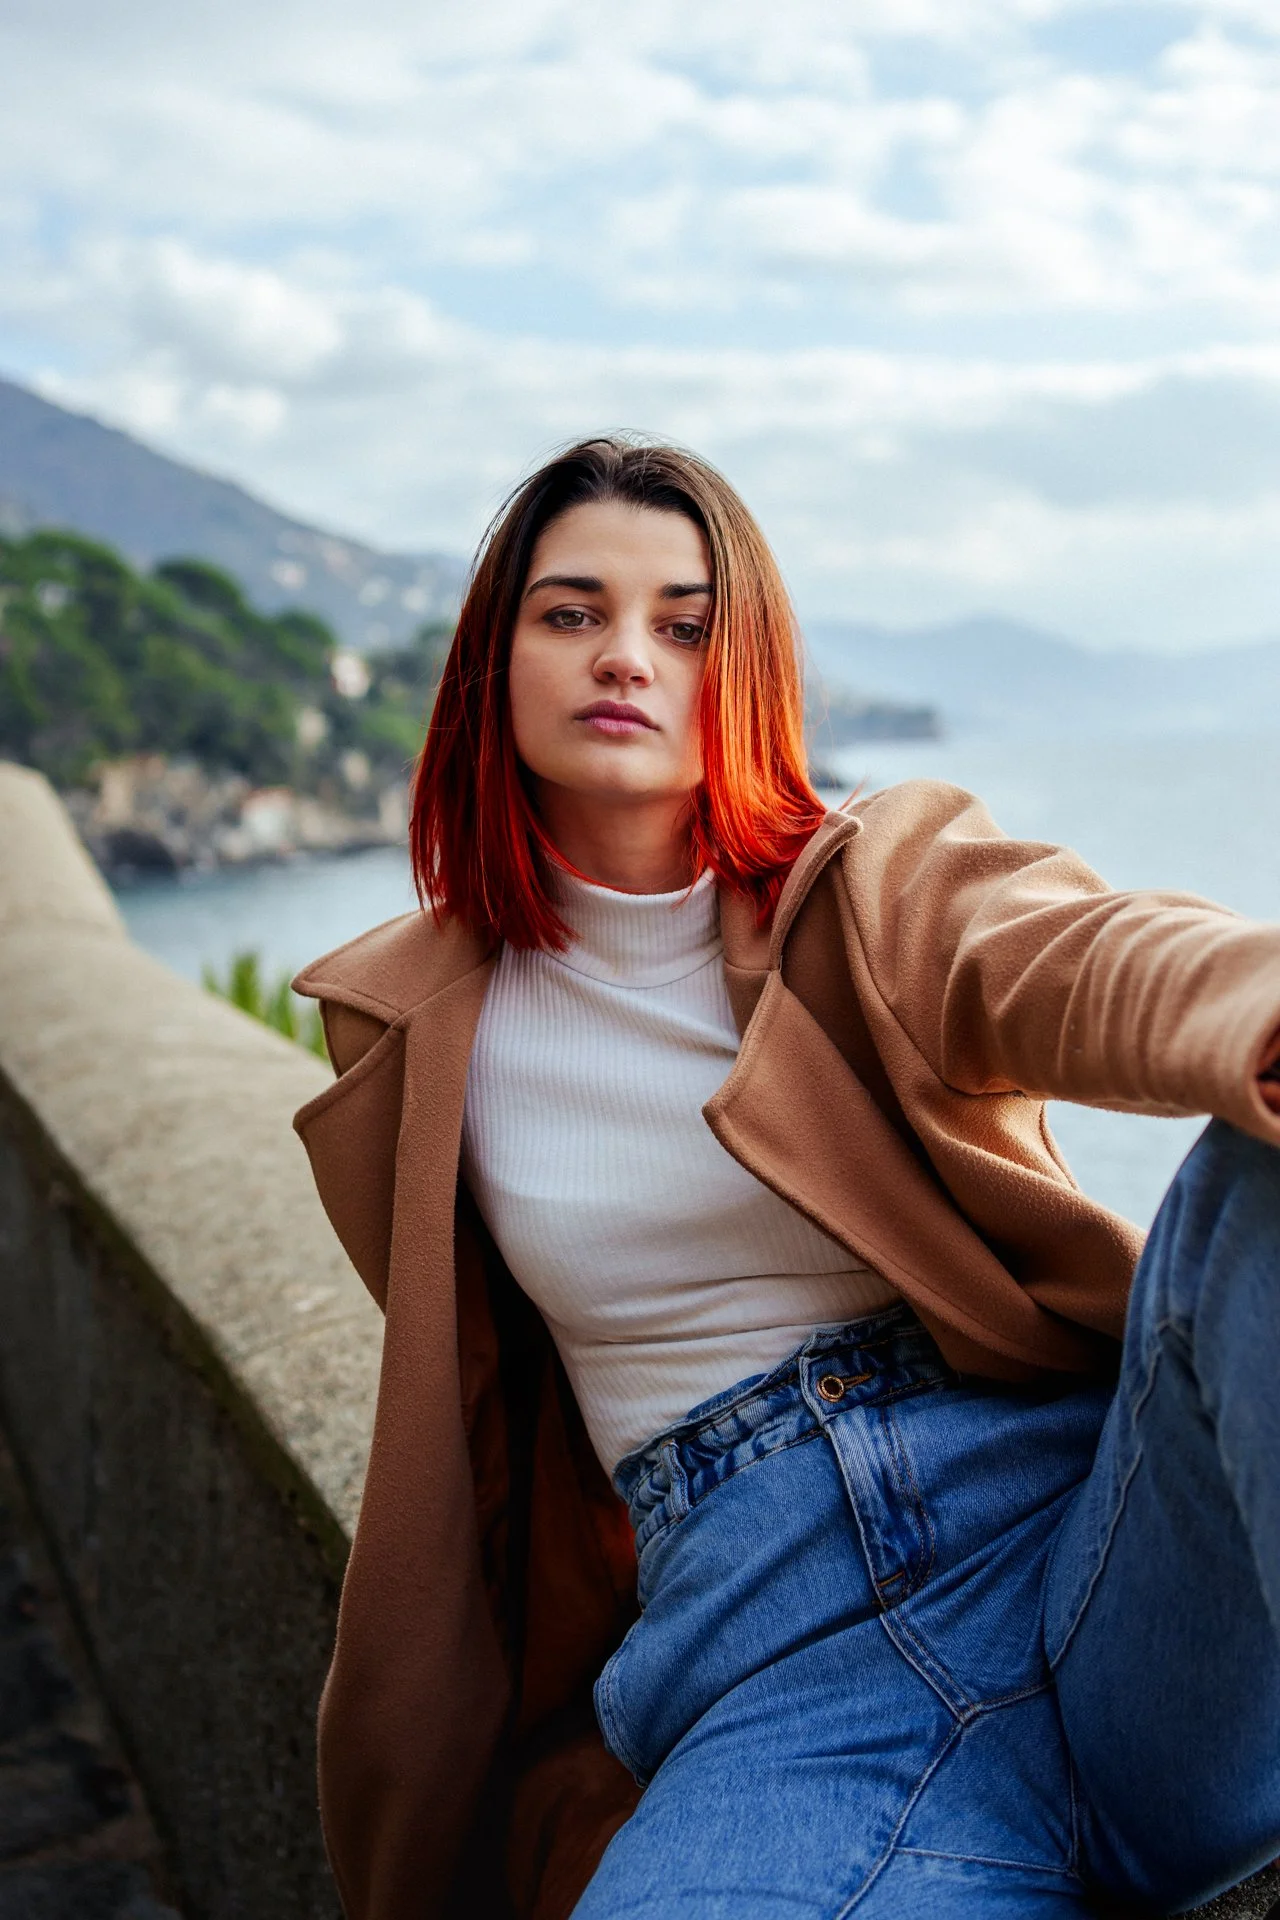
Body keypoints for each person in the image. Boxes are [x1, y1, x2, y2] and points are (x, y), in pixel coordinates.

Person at [292, 437, 1280, 1920]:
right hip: (779, 1672)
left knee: (1258, 1189)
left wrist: (1254, 1011)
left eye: (685, 625)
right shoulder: (417, 1031)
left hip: (1101, 1564)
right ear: (493, 661)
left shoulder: (872, 886)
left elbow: (1072, 957)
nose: (626, 656)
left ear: (743, 668)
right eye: (572, 613)